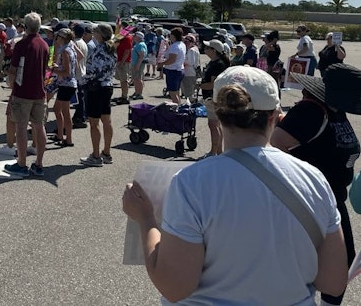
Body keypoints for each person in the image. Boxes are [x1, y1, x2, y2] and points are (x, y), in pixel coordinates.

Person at [122, 66, 347, 305]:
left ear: (217, 116)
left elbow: (175, 287)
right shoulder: (314, 179)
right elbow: (333, 282)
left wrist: (145, 219)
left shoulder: (191, 182)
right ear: (275, 116)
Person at [272, 65, 361, 306]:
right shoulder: (310, 111)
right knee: (318, 266)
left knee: (340, 266)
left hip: (332, 200)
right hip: (308, 202)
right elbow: (275, 147)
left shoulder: (335, 111)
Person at [3, 12, 49, 177]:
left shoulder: (22, 45)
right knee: (39, 125)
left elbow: (13, 69)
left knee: (21, 127)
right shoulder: (44, 45)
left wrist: (11, 83)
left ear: (26, 26)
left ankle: (21, 163)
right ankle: (39, 163)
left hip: (22, 92)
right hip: (39, 91)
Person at [80, 23, 117, 167]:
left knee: (94, 123)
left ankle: (95, 156)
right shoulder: (112, 50)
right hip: (107, 87)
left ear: (100, 35)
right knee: (106, 121)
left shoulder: (98, 50)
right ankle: (106, 153)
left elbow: (92, 72)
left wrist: (82, 79)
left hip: (96, 88)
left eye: (95, 32)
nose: (93, 34)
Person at [199, 39, 230, 157]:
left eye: (207, 48)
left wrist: (199, 85)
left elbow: (213, 84)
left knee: (213, 125)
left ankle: (213, 152)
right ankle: (219, 151)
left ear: (214, 50)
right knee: (216, 125)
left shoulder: (218, 64)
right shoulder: (214, 62)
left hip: (214, 98)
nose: (205, 49)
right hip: (212, 97)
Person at [50, 27, 77, 147]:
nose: (57, 39)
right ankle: (60, 134)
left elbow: (67, 72)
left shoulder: (66, 51)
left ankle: (69, 139)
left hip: (67, 84)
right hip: (65, 84)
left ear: (63, 38)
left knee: (65, 112)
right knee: (57, 109)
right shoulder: (68, 48)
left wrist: (53, 70)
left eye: (58, 37)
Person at [162, 27, 186, 105]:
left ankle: (176, 109)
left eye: (171, 35)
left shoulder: (175, 46)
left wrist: (162, 63)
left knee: (172, 93)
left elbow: (172, 60)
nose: (170, 37)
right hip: (180, 69)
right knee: (176, 92)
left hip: (173, 71)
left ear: (174, 36)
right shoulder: (182, 44)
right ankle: (179, 106)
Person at [114, 32, 132, 104]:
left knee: (124, 80)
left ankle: (125, 97)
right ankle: (123, 96)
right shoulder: (121, 38)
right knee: (122, 80)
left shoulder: (127, 38)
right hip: (120, 60)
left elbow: (127, 51)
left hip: (124, 62)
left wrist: (122, 62)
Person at [181, 34, 199, 104]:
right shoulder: (194, 49)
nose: (185, 44)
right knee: (189, 93)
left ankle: (192, 106)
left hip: (189, 73)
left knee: (189, 94)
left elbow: (191, 62)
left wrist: (182, 61)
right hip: (190, 73)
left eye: (186, 42)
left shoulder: (191, 50)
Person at [130, 31, 147, 100]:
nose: (133, 37)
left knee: (138, 79)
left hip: (138, 64)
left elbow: (141, 55)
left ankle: (139, 93)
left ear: (139, 37)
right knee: (136, 79)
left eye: (135, 36)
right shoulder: (138, 44)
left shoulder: (140, 45)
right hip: (135, 64)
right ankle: (137, 92)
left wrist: (137, 65)